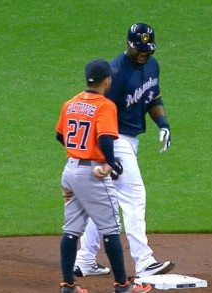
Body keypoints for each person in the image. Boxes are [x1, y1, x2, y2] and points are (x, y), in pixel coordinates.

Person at [74, 23, 174, 278]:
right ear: (128, 44)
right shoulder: (115, 72)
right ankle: (144, 262)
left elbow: (153, 98)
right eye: (138, 48)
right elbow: (100, 111)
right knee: (134, 196)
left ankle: (84, 260)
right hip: (113, 140)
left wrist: (162, 124)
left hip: (129, 141)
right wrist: (108, 153)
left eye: (147, 49)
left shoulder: (152, 65)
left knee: (108, 202)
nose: (143, 53)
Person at [55, 59, 152, 293]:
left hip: (70, 170)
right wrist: (111, 162)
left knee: (71, 230)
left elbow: (60, 136)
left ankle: (68, 285)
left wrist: (80, 152)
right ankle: (122, 286)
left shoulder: (70, 104)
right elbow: (105, 138)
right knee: (110, 229)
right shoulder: (105, 105)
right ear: (106, 80)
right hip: (92, 175)